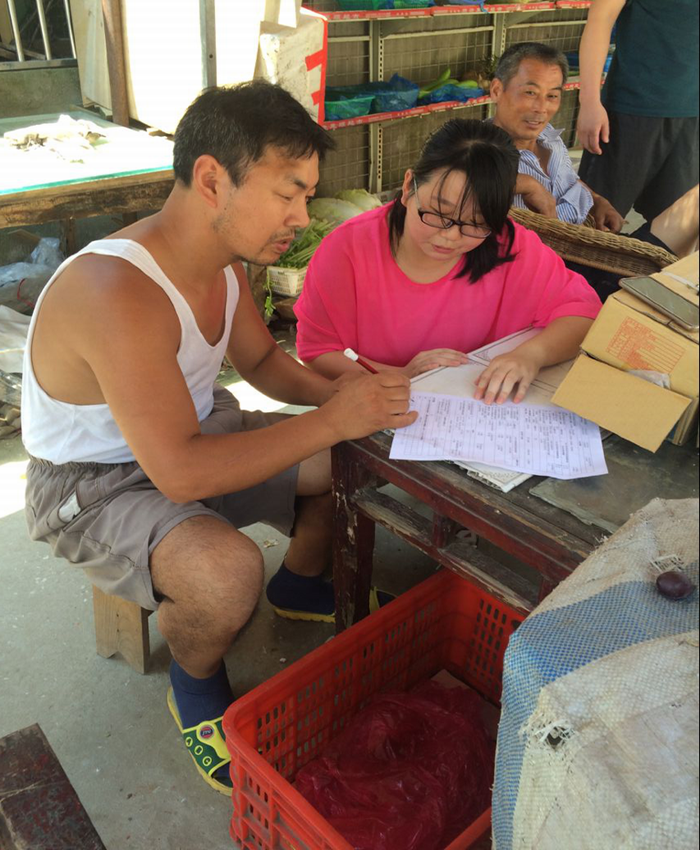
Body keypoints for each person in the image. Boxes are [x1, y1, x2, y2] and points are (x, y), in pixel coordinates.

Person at [20, 81, 417, 794]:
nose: (300, 217)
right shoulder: (116, 291)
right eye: (288, 193)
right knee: (226, 573)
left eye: (307, 197)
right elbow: (180, 475)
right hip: (94, 482)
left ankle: (301, 582)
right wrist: (334, 417)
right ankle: (195, 681)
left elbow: (262, 361)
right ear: (211, 179)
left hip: (195, 430)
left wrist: (348, 399)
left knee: (349, 456)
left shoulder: (225, 265)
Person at [294, 118, 601, 395]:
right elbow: (319, 351)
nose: (451, 236)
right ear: (408, 187)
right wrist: (402, 375)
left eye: (475, 223)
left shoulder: (508, 244)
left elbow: (583, 313)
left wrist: (530, 356)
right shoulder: (348, 249)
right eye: (439, 213)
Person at [576, 0, 699, 223]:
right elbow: (600, 21)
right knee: (594, 220)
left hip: (691, 116)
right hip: (630, 110)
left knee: (674, 227)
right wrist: (589, 101)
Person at [489, 41, 624, 232]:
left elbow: (569, 179)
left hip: (583, 238)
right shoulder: (477, 148)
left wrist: (597, 200)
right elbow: (461, 181)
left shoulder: (549, 136)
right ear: (496, 90)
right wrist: (528, 185)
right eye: (530, 92)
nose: (541, 108)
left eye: (552, 96)